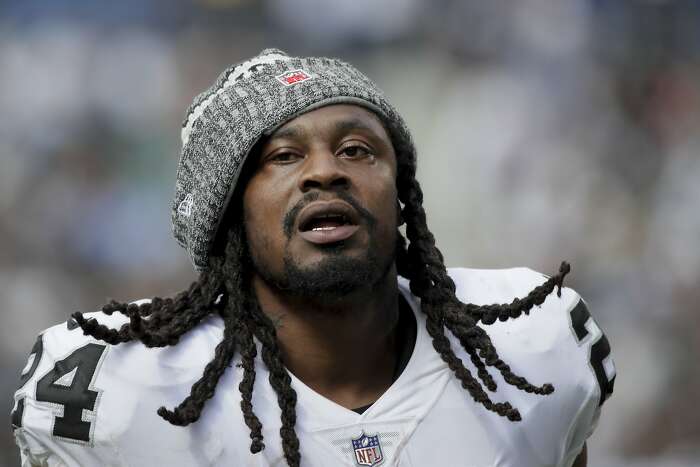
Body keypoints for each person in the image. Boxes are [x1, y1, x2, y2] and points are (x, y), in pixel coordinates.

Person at [10, 49, 615, 467]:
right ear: (228, 219)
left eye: (356, 149)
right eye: (282, 157)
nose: (325, 170)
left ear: (400, 192)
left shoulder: (534, 348)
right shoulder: (112, 388)